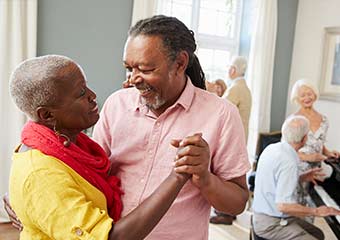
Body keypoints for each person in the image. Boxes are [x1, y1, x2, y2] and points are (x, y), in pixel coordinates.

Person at [92, 15, 250, 240]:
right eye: (129, 68)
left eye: (145, 70)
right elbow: (92, 175)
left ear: (180, 63)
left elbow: (237, 203)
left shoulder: (221, 114)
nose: (133, 80)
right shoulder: (116, 105)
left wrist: (204, 177)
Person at [7, 55, 191, 240]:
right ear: (47, 115)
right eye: (80, 93)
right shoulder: (41, 175)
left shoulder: (69, 145)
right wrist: (177, 176)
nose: (92, 96)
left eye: (86, 86)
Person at [252, 115, 340, 240]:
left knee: (318, 234)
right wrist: (316, 211)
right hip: (271, 224)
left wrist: (301, 177)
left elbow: (275, 181)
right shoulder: (289, 162)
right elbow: (283, 206)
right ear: (305, 138)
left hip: (263, 216)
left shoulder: (272, 148)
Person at [210, 56, 252, 225]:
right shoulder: (245, 88)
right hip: (241, 135)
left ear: (233, 70)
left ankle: (224, 213)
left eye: (228, 68)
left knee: (225, 174)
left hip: (231, 138)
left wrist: (210, 93)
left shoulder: (235, 88)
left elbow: (220, 111)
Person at [290, 79, 340, 210]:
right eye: (302, 95)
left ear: (315, 94)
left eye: (309, 93)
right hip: (297, 171)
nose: (307, 98)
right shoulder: (293, 121)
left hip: (315, 172)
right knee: (295, 209)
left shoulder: (324, 120)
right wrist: (309, 158)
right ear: (297, 98)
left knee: (311, 209)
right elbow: (286, 151)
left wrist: (328, 152)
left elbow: (319, 142)